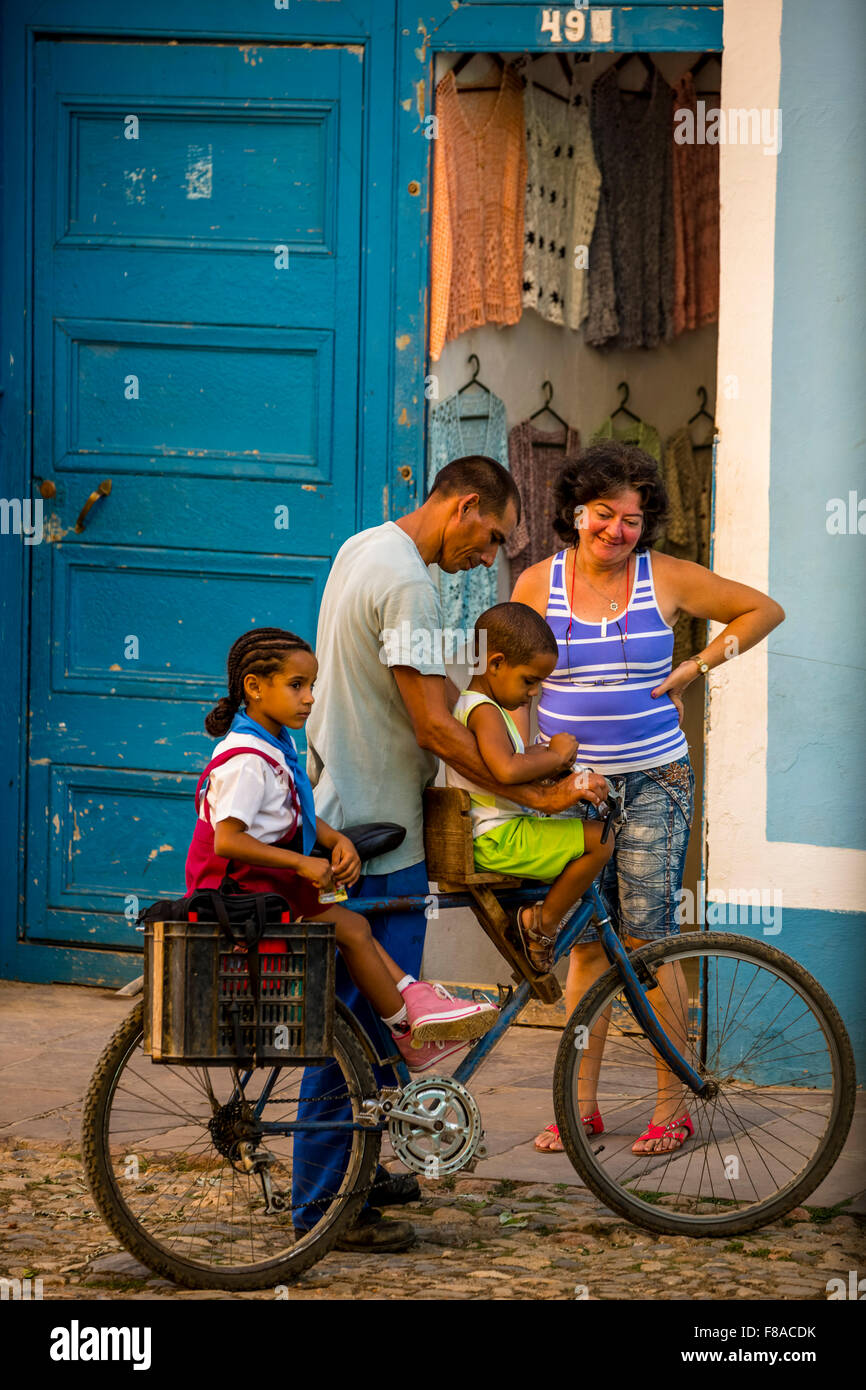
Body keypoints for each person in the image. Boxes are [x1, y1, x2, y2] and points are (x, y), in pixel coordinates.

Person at [297, 455, 608, 1251]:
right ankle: (326, 1209)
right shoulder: (409, 582)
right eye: (492, 535)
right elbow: (436, 726)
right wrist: (538, 795)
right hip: (377, 823)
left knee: (372, 1023)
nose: (489, 556)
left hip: (347, 797)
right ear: (465, 505)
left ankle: (355, 1177)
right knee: (363, 1028)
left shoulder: (362, 545)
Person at [510, 440, 785, 1156]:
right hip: (576, 791)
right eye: (605, 514)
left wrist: (696, 664)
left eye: (632, 519)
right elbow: (514, 687)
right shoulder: (537, 584)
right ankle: (582, 1107)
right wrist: (531, 773)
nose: (617, 530)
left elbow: (762, 611)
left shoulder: (663, 577)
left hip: (655, 779)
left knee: (649, 941)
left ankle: (674, 1102)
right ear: (576, 510)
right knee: (586, 951)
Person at [185, 627, 498, 1070]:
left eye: (311, 686)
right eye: (297, 686)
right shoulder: (247, 760)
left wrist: (334, 839)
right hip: (238, 897)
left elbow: (287, 810)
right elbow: (229, 839)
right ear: (254, 688)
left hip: (269, 887)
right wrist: (302, 862)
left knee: (353, 928)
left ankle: (413, 1005)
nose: (309, 698)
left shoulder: (272, 744)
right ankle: (408, 1028)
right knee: (351, 929)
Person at [445, 602, 613, 967]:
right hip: (497, 838)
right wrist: (555, 754)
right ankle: (541, 923)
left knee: (591, 835)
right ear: (495, 664)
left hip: (499, 834)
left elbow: (511, 765)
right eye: (529, 680)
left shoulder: (480, 707)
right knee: (601, 840)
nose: (534, 692)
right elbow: (506, 769)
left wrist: (551, 766)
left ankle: (539, 917)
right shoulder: (484, 710)